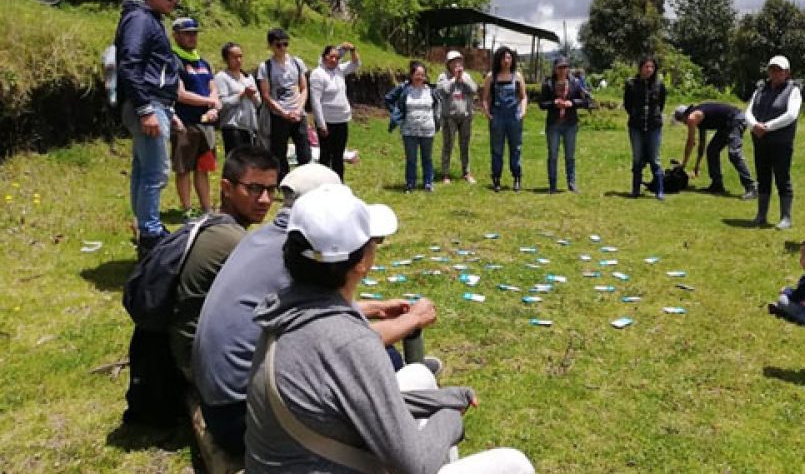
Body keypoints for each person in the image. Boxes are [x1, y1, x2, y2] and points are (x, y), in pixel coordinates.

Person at [244, 184, 534, 473]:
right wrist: (450, 416)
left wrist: (444, 398)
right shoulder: (350, 343)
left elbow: (362, 400)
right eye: (375, 241)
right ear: (361, 262)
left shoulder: (283, 311)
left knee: (419, 375)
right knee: (514, 463)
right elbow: (416, 465)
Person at [192, 164, 440, 458]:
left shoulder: (271, 242)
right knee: (388, 361)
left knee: (388, 358)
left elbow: (313, 318)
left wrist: (373, 308)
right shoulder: (298, 262)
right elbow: (342, 344)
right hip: (244, 416)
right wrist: (413, 319)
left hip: (223, 400)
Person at [168, 145, 280, 383]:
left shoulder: (210, 223)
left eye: (271, 190)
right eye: (254, 189)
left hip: (183, 347)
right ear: (227, 188)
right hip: (202, 364)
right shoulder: (234, 242)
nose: (265, 200)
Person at [114, 0, 187, 257]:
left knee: (144, 171)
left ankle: (146, 228)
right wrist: (147, 109)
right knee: (156, 173)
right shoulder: (140, 19)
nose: (174, 0)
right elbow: (129, 64)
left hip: (156, 103)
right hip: (148, 103)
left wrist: (168, 109)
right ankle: (150, 233)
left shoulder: (149, 19)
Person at [170, 17, 221, 221]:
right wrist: (209, 101)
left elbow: (213, 87)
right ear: (176, 36)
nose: (192, 37)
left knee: (203, 167)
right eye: (187, 34)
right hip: (184, 122)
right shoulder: (174, 60)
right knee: (184, 168)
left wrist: (214, 106)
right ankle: (187, 209)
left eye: (194, 33)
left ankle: (207, 208)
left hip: (205, 123)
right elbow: (180, 94)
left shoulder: (203, 62)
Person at [745, 55, 802, 229]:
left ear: (787, 73)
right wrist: (754, 125)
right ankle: (761, 215)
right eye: (772, 69)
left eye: (779, 70)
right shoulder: (760, 89)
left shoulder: (793, 90)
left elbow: (791, 115)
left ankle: (786, 217)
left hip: (781, 142)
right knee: (762, 177)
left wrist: (767, 127)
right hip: (760, 141)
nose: (775, 73)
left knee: (782, 178)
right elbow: (748, 111)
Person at [673, 102, 757, 199]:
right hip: (725, 124)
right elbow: (702, 144)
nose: (684, 123)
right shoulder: (698, 118)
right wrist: (697, 165)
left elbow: (690, 142)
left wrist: (683, 163)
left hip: (736, 119)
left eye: (681, 120)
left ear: (684, 115)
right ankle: (717, 185)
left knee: (734, 153)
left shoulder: (692, 118)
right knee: (712, 151)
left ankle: (751, 187)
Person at [258, 28, 310, 180]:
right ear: (270, 46)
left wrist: (299, 109)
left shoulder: (297, 63)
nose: (282, 48)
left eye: (285, 44)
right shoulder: (265, 67)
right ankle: (283, 182)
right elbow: (266, 95)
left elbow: (304, 88)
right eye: (278, 45)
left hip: (298, 113)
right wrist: (283, 112)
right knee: (279, 152)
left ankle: (305, 181)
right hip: (279, 115)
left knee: (304, 151)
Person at [386, 60, 441, 192]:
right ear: (411, 75)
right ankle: (410, 183)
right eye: (417, 74)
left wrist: (437, 120)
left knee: (427, 158)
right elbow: (388, 99)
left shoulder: (431, 90)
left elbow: (438, 105)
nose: (420, 77)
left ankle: (428, 183)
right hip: (409, 130)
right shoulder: (404, 89)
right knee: (411, 159)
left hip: (427, 130)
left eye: (422, 75)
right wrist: (396, 113)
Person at [310, 42, 360, 181]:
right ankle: (322, 182)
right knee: (326, 155)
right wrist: (321, 124)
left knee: (338, 155)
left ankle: (338, 182)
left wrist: (352, 49)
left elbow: (356, 64)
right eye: (331, 57)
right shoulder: (318, 74)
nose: (334, 60)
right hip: (327, 121)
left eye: (337, 58)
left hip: (341, 119)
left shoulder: (339, 70)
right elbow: (315, 101)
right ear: (324, 57)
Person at [539, 56, 589, 193]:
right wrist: (553, 103)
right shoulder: (548, 84)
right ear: (555, 69)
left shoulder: (575, 83)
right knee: (553, 155)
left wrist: (572, 103)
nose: (562, 70)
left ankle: (571, 183)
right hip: (553, 124)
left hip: (570, 124)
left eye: (565, 67)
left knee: (570, 155)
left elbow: (585, 101)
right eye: (560, 67)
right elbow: (541, 104)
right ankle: (552, 184)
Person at [482, 46, 527, 192]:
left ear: (512, 60)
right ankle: (496, 178)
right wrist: (487, 112)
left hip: (514, 117)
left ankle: (517, 177)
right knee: (497, 149)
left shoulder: (517, 76)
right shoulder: (491, 77)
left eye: (509, 57)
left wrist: (523, 111)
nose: (506, 61)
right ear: (498, 60)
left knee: (516, 148)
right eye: (503, 58)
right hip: (497, 117)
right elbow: (485, 97)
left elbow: (523, 96)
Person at [623, 56, 666, 199]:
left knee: (655, 158)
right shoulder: (631, 84)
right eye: (646, 66)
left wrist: (655, 115)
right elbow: (627, 104)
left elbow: (661, 104)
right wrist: (636, 114)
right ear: (640, 68)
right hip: (636, 126)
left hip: (654, 126)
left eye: (651, 67)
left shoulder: (659, 85)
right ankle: (635, 189)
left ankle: (659, 190)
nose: (649, 70)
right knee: (637, 157)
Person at [436, 50, 478, 184]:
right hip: (449, 117)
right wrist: (454, 79)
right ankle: (445, 173)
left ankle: (466, 172)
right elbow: (443, 91)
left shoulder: (466, 76)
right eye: (454, 62)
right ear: (448, 64)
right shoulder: (443, 77)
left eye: (459, 61)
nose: (457, 64)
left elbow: (474, 89)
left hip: (465, 116)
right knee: (448, 145)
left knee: (465, 145)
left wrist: (463, 80)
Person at [215, 42, 261, 156]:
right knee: (237, 161)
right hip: (233, 127)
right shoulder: (222, 77)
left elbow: (258, 102)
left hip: (250, 128)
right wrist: (242, 94)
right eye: (234, 57)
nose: (238, 60)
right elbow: (222, 103)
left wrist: (252, 96)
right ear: (226, 59)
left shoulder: (248, 77)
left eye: (240, 56)